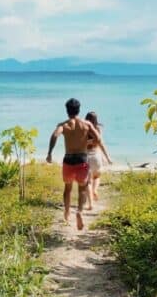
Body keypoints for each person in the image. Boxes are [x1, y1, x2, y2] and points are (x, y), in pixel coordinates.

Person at [46, 98, 103, 230]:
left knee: (68, 188)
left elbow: (54, 136)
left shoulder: (63, 125)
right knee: (83, 188)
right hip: (82, 159)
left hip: (69, 159)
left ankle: (66, 213)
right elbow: (98, 139)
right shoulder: (87, 124)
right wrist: (88, 143)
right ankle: (79, 212)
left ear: (67, 110)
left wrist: (50, 152)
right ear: (79, 110)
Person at [83, 112, 113, 211]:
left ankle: (90, 204)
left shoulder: (83, 129)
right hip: (97, 156)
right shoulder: (98, 129)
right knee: (97, 176)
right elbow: (101, 143)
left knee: (88, 182)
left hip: (86, 156)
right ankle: (95, 190)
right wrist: (108, 157)